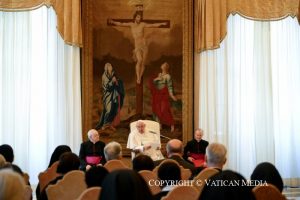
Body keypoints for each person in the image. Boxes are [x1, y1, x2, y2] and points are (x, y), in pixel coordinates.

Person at [109, 11, 167, 84]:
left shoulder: (142, 24)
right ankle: (138, 77)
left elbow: (152, 25)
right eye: (138, 17)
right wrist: (113, 22)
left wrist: (162, 23)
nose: (139, 18)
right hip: (137, 46)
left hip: (144, 44)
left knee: (143, 63)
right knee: (139, 60)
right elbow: (121, 24)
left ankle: (139, 77)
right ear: (135, 17)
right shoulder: (131, 24)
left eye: (140, 17)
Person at [95, 62, 125, 131]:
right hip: (108, 95)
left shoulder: (113, 74)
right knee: (108, 110)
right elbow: (106, 86)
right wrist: (112, 81)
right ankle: (105, 124)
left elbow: (116, 82)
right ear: (107, 68)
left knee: (115, 109)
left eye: (111, 66)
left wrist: (117, 81)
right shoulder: (104, 76)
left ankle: (109, 124)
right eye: (109, 66)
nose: (111, 67)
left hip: (115, 95)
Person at [148, 62, 177, 132]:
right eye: (163, 65)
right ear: (161, 67)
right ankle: (159, 125)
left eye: (166, 65)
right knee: (157, 109)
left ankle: (172, 125)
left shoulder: (168, 76)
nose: (164, 66)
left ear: (167, 68)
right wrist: (158, 78)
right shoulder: (159, 75)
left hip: (164, 94)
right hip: (157, 94)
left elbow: (170, 86)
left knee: (164, 109)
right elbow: (154, 83)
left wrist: (172, 95)